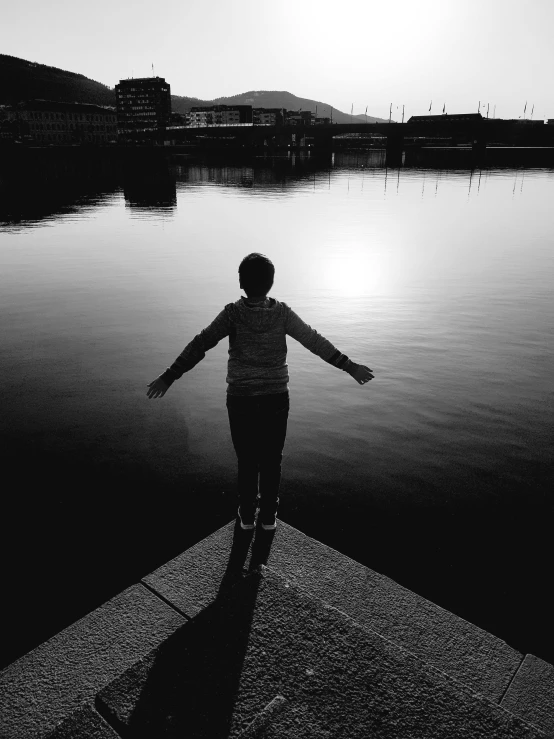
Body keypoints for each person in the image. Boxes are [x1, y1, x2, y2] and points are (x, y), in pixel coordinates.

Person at [147, 253, 374, 532]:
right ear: (271, 282)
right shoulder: (283, 313)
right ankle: (268, 516)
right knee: (271, 459)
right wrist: (349, 366)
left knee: (247, 459)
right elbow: (314, 341)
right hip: (276, 397)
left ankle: (246, 516)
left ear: (241, 282)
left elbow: (200, 344)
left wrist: (169, 376)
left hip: (241, 398)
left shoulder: (232, 313)